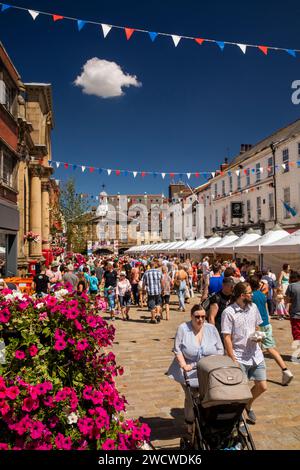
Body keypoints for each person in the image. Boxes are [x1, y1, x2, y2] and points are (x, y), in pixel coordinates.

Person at [167, 304, 224, 433]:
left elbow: (220, 349)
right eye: (197, 317)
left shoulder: (211, 329)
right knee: (191, 396)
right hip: (188, 369)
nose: (200, 320)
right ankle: (190, 422)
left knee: (208, 396)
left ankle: (206, 420)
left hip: (208, 368)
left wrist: (214, 362)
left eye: (203, 317)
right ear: (191, 316)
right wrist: (184, 365)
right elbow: (177, 349)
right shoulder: (183, 328)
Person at [221, 282, 267, 425]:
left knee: (262, 386)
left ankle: (248, 404)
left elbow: (257, 325)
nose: (252, 294)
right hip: (239, 355)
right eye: (249, 293)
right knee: (240, 392)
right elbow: (226, 336)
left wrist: (258, 336)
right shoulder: (228, 312)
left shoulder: (253, 307)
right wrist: (232, 357)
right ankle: (238, 421)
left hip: (255, 354)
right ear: (242, 296)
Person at [249, 276, 293, 386]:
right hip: (267, 324)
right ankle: (285, 370)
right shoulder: (262, 295)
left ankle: (255, 373)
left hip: (257, 325)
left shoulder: (251, 296)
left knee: (253, 349)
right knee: (271, 349)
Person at [285, 271, 300, 343]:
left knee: (296, 335)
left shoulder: (291, 286)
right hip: (295, 315)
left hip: (295, 315)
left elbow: (287, 300)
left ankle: (297, 353)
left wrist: (286, 310)